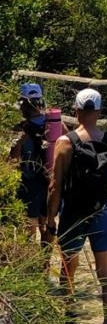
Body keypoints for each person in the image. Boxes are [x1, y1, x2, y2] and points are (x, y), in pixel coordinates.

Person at [47, 87, 107, 324]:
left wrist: (50, 218)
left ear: (76, 111)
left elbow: (55, 186)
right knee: (106, 272)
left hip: (73, 212)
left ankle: (70, 314)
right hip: (103, 211)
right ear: (100, 112)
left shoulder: (65, 143)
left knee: (68, 265)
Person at [9, 83, 51, 245]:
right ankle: (45, 263)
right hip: (50, 179)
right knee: (46, 223)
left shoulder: (20, 128)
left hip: (28, 182)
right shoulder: (54, 124)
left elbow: (13, 161)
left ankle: (30, 262)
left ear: (25, 103)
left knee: (29, 224)